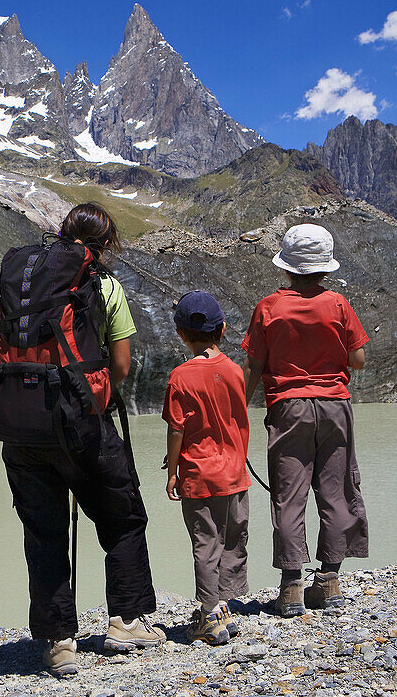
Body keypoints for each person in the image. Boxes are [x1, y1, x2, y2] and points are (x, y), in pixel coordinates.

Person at [0, 203, 164, 677]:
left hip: (22, 428)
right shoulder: (103, 287)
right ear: (105, 242)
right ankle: (125, 622)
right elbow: (122, 365)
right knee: (124, 516)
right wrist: (93, 398)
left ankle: (58, 643)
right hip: (81, 425)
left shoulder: (24, 283)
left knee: (44, 533)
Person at [241, 223, 370, 618]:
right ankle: (329, 582)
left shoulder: (268, 308)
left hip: (288, 408)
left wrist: (238, 412)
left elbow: (253, 365)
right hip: (334, 407)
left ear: (287, 267)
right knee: (336, 490)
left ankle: (292, 587)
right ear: (324, 267)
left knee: (289, 495)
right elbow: (358, 359)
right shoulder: (338, 305)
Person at [162, 291, 251, 645]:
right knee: (232, 539)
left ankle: (209, 614)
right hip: (235, 473)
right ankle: (226, 606)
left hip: (199, 476)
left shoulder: (180, 377)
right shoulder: (234, 371)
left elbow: (176, 428)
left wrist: (172, 471)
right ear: (223, 329)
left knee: (205, 542)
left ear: (181, 334)